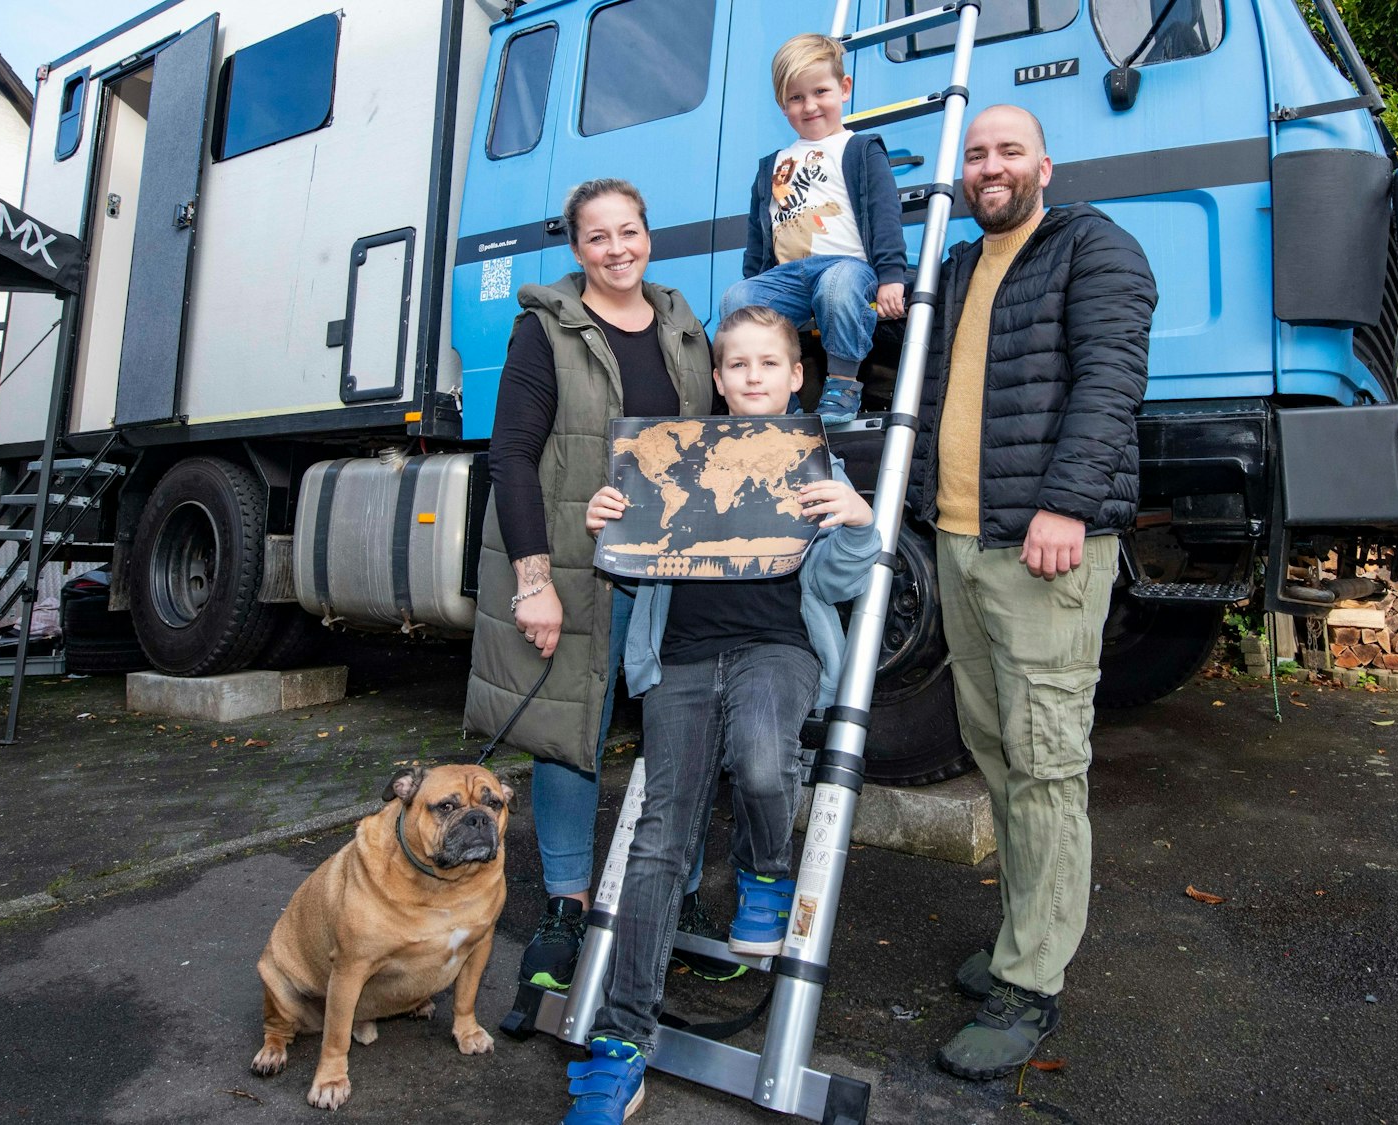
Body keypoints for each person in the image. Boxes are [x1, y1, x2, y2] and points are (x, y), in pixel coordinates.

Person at [560, 306, 880, 1124]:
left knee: (765, 758)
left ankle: (766, 867)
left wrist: (858, 523)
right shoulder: (677, 456)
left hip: (779, 647)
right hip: (685, 662)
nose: (753, 377)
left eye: (769, 364)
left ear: (795, 375)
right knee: (660, 840)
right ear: (718, 379)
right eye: (737, 365)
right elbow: (637, 574)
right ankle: (622, 1040)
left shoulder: (820, 461)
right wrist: (611, 528)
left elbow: (842, 582)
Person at [903, 105, 1156, 1080]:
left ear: (1043, 164)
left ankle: (1032, 985)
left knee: (1045, 761)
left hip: (1044, 547)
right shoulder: (964, 267)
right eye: (974, 155)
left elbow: (1107, 382)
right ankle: (1021, 934)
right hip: (964, 545)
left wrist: (1064, 504)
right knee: (996, 749)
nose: (988, 166)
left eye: (1007, 150)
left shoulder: (1093, 248)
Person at [463, 179, 738, 997]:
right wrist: (533, 583)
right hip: (577, 569)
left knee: (682, 733)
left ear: (649, 235)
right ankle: (564, 909)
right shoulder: (545, 328)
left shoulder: (686, 326)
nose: (617, 249)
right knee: (566, 731)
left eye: (630, 232)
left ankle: (677, 904)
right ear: (576, 248)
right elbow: (511, 456)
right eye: (597, 238)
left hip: (672, 568)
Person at [719, 33, 907, 426]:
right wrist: (756, 283)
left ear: (844, 88)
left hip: (846, 267)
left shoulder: (860, 148)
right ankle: (779, 401)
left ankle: (841, 387)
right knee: (737, 298)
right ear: (782, 106)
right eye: (796, 98)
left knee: (837, 289)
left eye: (820, 91)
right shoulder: (773, 164)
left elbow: (884, 212)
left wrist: (891, 275)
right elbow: (760, 230)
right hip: (786, 276)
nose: (810, 106)